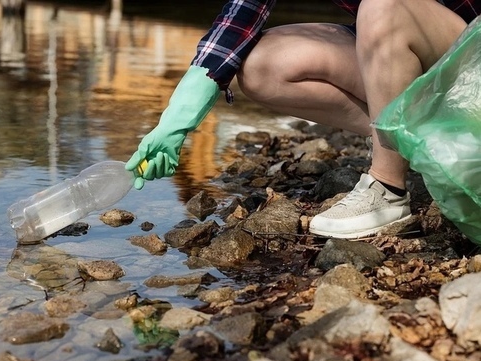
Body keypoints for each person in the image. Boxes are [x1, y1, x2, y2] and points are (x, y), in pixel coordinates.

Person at [125, 0, 481, 239]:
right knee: (261, 65)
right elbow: (244, 12)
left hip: (470, 57)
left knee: (382, 5)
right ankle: (425, 148)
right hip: (419, 56)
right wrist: (179, 114)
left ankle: (387, 187)